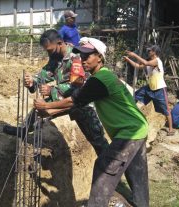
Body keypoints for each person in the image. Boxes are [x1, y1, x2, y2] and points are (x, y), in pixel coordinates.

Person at [34, 37, 149, 207]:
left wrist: (47, 105)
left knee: (104, 167)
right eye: (81, 56)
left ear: (100, 57)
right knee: (136, 172)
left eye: (88, 56)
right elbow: (78, 104)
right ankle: (141, 204)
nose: (83, 60)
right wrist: (50, 111)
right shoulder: (104, 77)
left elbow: (73, 100)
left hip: (130, 132)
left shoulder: (100, 80)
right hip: (139, 127)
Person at [3, 29, 108, 155]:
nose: (48, 53)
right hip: (65, 100)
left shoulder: (76, 57)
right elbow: (44, 75)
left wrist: (52, 90)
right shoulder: (55, 57)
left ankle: (111, 163)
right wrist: (33, 81)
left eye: (50, 50)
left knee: (97, 140)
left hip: (81, 104)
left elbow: (79, 86)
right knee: (39, 110)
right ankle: (25, 130)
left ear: (59, 43)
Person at [123, 45, 175, 136]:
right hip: (150, 88)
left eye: (150, 50)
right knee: (135, 96)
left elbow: (145, 63)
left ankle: (171, 129)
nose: (148, 52)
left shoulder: (157, 61)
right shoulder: (150, 62)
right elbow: (138, 66)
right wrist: (128, 60)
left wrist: (134, 55)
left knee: (166, 110)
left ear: (154, 52)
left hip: (159, 89)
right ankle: (130, 115)